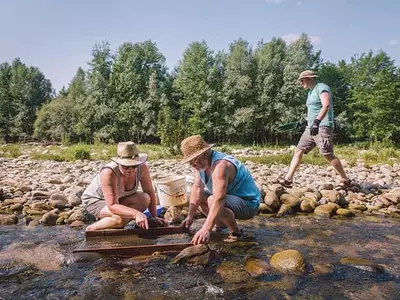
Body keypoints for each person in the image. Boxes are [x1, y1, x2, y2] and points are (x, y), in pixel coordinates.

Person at [275, 70, 351, 189]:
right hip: (310, 127)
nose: (300, 83)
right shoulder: (310, 92)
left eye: (302, 80)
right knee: (298, 150)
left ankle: (345, 180)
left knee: (327, 154)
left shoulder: (321, 87)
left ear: (310, 78)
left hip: (322, 125)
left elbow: (326, 105)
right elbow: (313, 110)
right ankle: (288, 179)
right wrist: (304, 121)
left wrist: (317, 121)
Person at [180, 135, 261, 245]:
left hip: (249, 204)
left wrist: (205, 229)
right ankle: (220, 225)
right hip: (232, 200)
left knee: (212, 199)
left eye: (194, 159)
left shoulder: (220, 166)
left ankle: (236, 233)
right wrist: (190, 216)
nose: (192, 164)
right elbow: (197, 189)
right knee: (202, 196)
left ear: (204, 154)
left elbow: (219, 198)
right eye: (189, 161)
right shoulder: (200, 165)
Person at [82, 141, 167, 231]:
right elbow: (112, 205)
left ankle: (114, 221)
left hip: (118, 200)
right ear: (118, 163)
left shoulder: (142, 168)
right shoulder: (109, 172)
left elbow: (149, 192)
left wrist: (154, 217)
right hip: (96, 201)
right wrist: (135, 213)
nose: (130, 170)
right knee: (120, 219)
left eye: (134, 166)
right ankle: (92, 229)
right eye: (125, 166)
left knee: (145, 198)